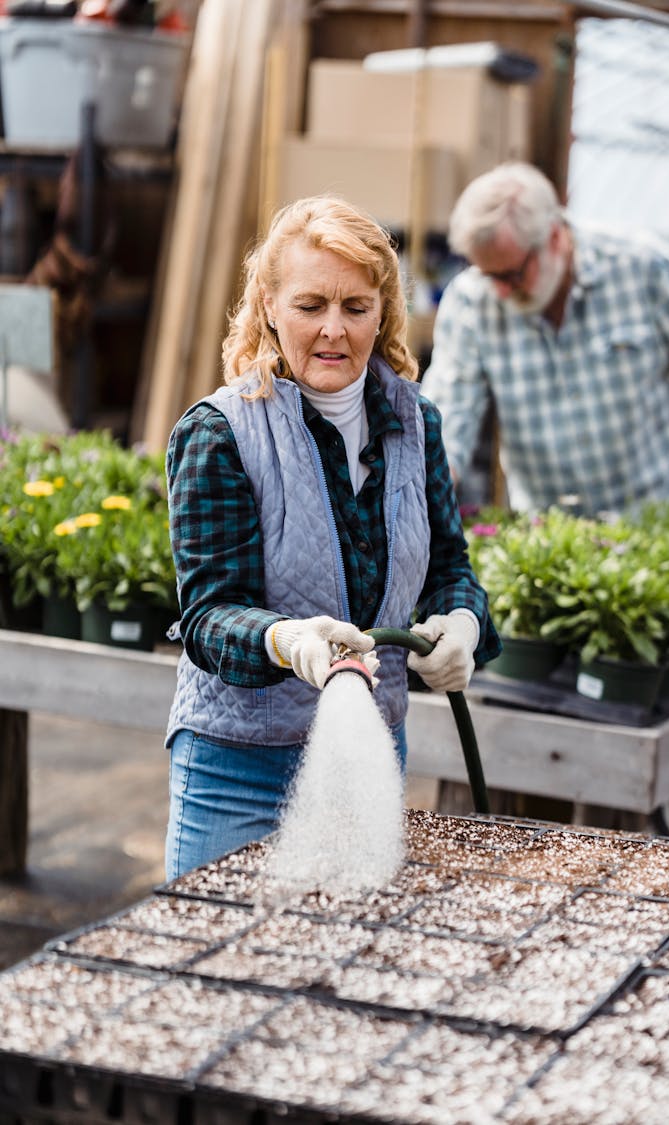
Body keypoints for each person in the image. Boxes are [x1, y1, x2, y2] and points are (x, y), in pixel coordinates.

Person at [163, 194, 501, 879]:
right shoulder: (220, 432)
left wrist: (462, 620)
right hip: (240, 768)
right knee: (221, 970)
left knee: (339, 966)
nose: (333, 331)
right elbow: (207, 613)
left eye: (355, 307)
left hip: (368, 756)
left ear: (384, 311)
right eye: (310, 305)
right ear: (268, 306)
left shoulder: (417, 423)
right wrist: (287, 641)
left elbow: (447, 567)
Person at [421, 161, 669, 517]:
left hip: (664, 531)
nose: (500, 292)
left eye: (513, 275)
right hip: (554, 538)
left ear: (556, 238)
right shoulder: (471, 301)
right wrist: (424, 494)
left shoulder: (648, 270)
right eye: (488, 275)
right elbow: (447, 421)